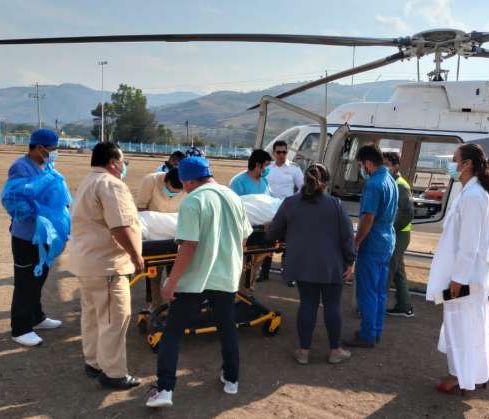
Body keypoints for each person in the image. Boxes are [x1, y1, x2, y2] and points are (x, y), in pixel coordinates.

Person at [147, 157, 253, 408]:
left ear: (191, 179)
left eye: (184, 183)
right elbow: (244, 238)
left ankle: (164, 390)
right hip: (226, 278)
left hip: (195, 279)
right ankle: (231, 380)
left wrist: (171, 282)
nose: (184, 187)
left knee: (172, 333)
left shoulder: (193, 201)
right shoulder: (233, 197)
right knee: (227, 329)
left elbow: (188, 246)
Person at [67, 142, 144, 390]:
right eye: (123, 161)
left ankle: (94, 362)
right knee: (115, 318)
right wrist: (136, 256)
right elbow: (120, 226)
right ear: (113, 162)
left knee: (92, 316)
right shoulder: (112, 184)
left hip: (87, 262)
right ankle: (113, 373)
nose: (124, 166)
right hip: (107, 264)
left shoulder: (88, 181)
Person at [427, 143, 489, 394]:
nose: (452, 164)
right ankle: (475, 373)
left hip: (465, 278)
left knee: (459, 327)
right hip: (469, 276)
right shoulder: (471, 192)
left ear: (467, 164)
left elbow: (469, 245)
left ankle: (458, 375)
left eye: (455, 159)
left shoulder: (472, 196)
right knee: (470, 324)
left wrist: (457, 280)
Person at [265, 164, 355, 365]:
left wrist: (268, 227)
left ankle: (303, 351)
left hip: (302, 265)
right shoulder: (335, 205)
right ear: (325, 183)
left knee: (307, 304)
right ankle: (335, 350)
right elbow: (347, 237)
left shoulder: (290, 203)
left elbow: (273, 234)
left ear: (304, 180)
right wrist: (350, 261)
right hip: (331, 265)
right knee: (332, 306)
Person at [2, 128, 69, 347]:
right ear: (39, 147)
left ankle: (36, 317)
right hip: (25, 235)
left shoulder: (47, 165)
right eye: (52, 149)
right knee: (25, 281)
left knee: (40, 276)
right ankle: (20, 328)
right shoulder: (20, 166)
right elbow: (14, 199)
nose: (54, 153)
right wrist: (38, 214)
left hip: (44, 234)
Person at [343, 144, 398, 348]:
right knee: (379, 290)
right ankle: (375, 330)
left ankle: (367, 335)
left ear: (367, 163)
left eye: (360, 165)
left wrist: (356, 243)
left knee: (366, 291)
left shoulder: (374, 184)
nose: (361, 169)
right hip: (386, 241)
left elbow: (368, 218)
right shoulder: (390, 179)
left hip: (373, 242)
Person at [136, 168, 185, 310]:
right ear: (165, 181)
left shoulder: (187, 187)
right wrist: (151, 228)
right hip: (154, 236)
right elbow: (141, 209)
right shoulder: (150, 181)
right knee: (154, 276)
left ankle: (175, 307)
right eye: (172, 190)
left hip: (175, 234)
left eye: (178, 192)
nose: (175, 193)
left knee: (175, 275)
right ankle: (155, 306)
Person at [230, 149, 277, 283]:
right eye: (266, 165)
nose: (268, 169)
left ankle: (248, 292)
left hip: (262, 233)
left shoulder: (265, 182)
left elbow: (270, 203)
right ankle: (238, 296)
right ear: (258, 165)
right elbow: (234, 208)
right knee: (241, 267)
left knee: (254, 267)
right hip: (245, 234)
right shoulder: (238, 182)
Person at [383, 152, 415, 318]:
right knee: (398, 271)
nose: (385, 167)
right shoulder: (391, 182)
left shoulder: (400, 184)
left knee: (388, 269)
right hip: (398, 232)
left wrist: (391, 228)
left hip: (399, 234)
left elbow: (408, 212)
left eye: (388, 164)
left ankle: (375, 306)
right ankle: (404, 305)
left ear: (396, 166)